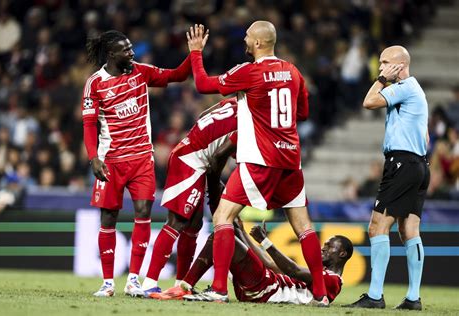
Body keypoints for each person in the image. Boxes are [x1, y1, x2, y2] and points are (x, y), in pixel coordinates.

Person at [185, 23, 328, 305]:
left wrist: (196, 53)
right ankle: (321, 294)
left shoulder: (249, 72)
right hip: (290, 159)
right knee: (304, 227)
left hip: (260, 159)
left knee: (222, 218)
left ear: (260, 43)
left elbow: (203, 85)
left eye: (248, 36)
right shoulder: (293, 71)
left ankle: (218, 290)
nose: (245, 39)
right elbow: (303, 111)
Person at [82, 30, 195, 297]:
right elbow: (88, 124)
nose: (132, 53)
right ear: (111, 54)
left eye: (132, 48)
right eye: (127, 50)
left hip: (142, 158)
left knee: (143, 213)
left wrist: (195, 53)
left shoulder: (141, 73)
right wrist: (93, 157)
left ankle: (133, 280)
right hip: (111, 160)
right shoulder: (95, 83)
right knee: (108, 217)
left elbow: (177, 75)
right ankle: (108, 283)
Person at [344, 45, 430, 310]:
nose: (380, 68)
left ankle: (375, 295)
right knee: (409, 230)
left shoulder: (404, 86)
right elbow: (425, 136)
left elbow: (369, 102)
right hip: (419, 165)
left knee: (377, 227)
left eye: (385, 63)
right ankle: (413, 298)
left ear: (399, 65)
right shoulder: (417, 92)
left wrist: (381, 80)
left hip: (402, 164)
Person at [140, 98, 238, 297]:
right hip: (190, 161)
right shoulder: (250, 121)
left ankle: (181, 284)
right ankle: (149, 282)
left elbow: (203, 116)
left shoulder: (232, 103)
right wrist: (214, 188)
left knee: (194, 225)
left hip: (190, 155)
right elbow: (218, 157)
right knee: (177, 221)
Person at [155, 219, 352, 305]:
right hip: (261, 286)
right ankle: (189, 286)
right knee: (225, 234)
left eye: (329, 246)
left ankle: (188, 287)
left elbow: (291, 270)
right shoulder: (320, 273)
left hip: (265, 290)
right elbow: (271, 265)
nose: (322, 248)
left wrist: (266, 241)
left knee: (223, 237)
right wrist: (244, 233)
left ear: (342, 254)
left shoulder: (333, 281)